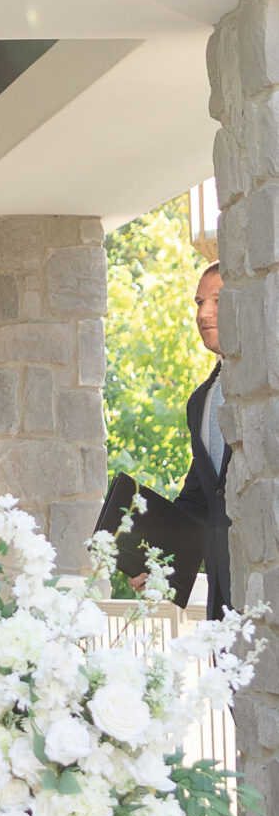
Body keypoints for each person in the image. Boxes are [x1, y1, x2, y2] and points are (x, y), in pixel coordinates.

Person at [177, 261, 231, 621]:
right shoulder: (200, 400)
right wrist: (153, 556)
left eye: (216, 299)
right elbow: (200, 497)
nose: (204, 313)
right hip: (222, 599)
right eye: (199, 302)